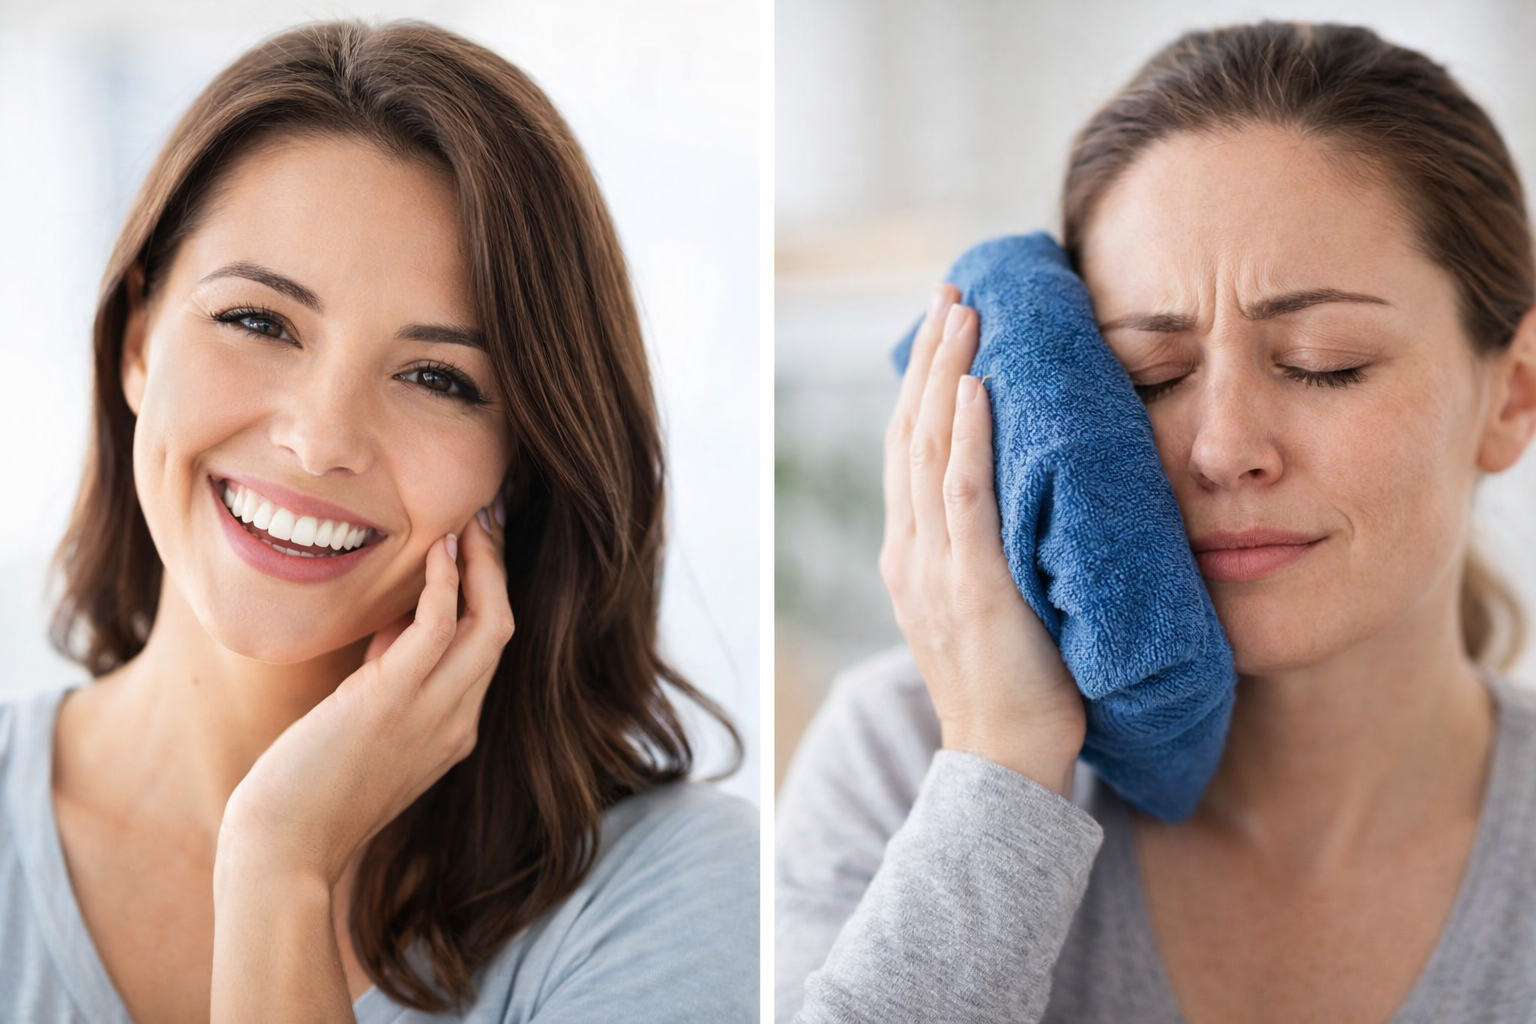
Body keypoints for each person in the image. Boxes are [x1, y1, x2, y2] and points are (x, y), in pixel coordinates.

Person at [778, 19, 1536, 1024]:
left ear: (1513, 395)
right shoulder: (902, 757)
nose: (1222, 448)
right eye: (1151, 376)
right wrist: (1003, 759)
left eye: (1323, 360)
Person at [0, 18, 756, 1023]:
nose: (320, 440)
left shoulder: (670, 896)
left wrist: (280, 865)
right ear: (139, 340)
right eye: (259, 321)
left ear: (522, 464)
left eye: (438, 377)